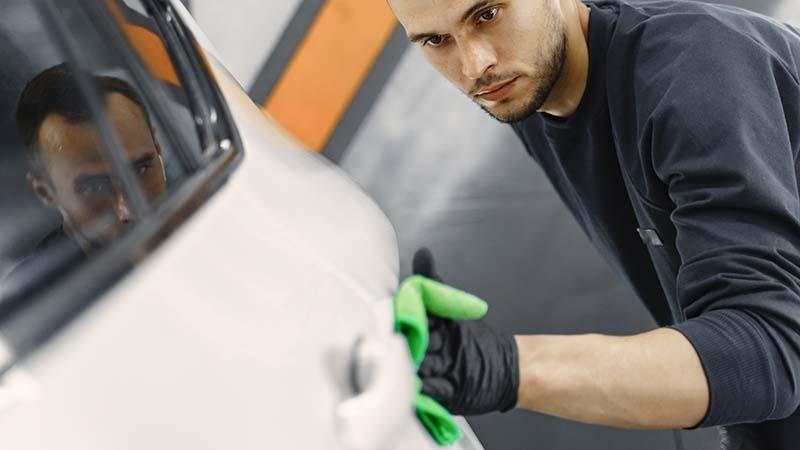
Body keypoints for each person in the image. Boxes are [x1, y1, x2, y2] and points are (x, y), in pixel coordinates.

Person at [385, 0, 800, 448]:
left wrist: (509, 369)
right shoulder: (527, 91)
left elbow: (767, 354)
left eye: (487, 14)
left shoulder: (696, 70)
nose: (475, 65)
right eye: (435, 40)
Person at [6, 63, 166, 288]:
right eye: (95, 188)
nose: (127, 211)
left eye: (140, 170)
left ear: (158, 148)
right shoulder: (27, 300)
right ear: (46, 192)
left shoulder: (201, 210)